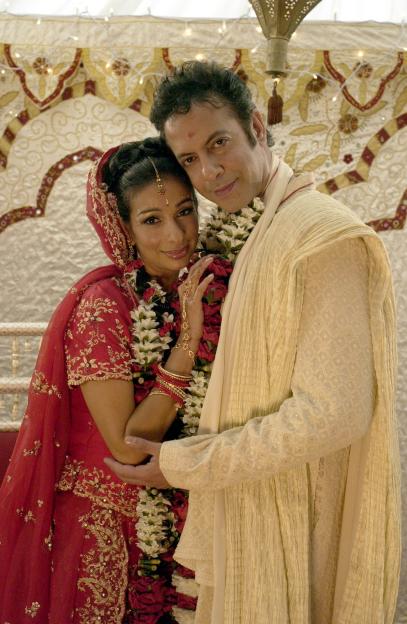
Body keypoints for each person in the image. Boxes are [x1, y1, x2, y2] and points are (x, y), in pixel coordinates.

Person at [105, 61, 401, 624]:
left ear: (257, 131)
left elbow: (334, 415)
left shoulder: (321, 239)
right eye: (190, 160)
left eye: (221, 143)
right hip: (248, 508)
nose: (210, 172)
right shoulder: (247, 229)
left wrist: (187, 464)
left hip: (294, 514)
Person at [0, 137, 232, 623]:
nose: (176, 234)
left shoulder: (209, 288)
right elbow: (128, 447)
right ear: (122, 227)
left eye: (185, 211)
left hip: (183, 518)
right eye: (152, 219)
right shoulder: (103, 306)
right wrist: (187, 343)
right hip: (100, 533)